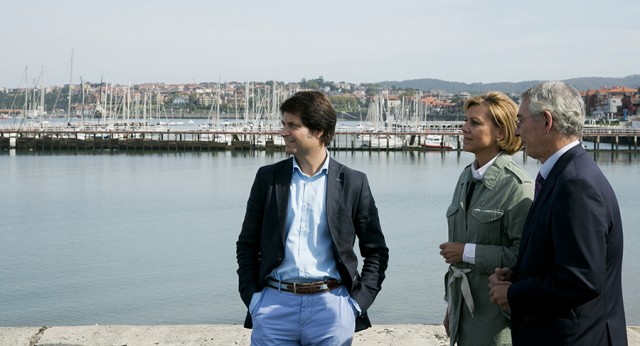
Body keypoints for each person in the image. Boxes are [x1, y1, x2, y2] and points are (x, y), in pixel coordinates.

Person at [236, 90, 389, 345]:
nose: (284, 132)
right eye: (283, 124)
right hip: (274, 305)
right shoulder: (268, 178)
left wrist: (355, 306)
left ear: (318, 131)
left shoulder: (354, 182)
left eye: (293, 125)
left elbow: (376, 251)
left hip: (331, 308)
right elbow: (247, 244)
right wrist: (254, 300)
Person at [488, 81, 627, 345]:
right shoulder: (566, 175)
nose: (517, 131)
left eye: (521, 121)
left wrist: (516, 295)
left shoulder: (576, 184)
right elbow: (560, 258)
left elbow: (581, 278)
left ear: (547, 121)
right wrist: (517, 276)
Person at [439, 91, 534, 345]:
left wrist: (466, 252)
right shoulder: (465, 178)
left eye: (475, 123)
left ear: (501, 133)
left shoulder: (517, 186)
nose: (464, 128)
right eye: (466, 121)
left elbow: (523, 256)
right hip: (464, 311)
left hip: (496, 318)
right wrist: (451, 307)